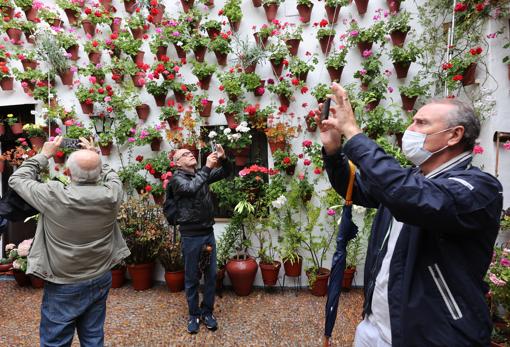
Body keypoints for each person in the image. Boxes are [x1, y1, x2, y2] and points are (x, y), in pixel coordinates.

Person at [317, 83, 503, 347]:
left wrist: (353, 132)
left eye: (421, 123)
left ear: (454, 135)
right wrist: (334, 151)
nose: (410, 130)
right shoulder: (411, 179)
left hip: (432, 337)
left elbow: (413, 197)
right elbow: (356, 189)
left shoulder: (479, 189)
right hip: (374, 327)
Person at [8, 136, 130, 347]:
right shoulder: (112, 194)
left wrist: (45, 154)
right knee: (93, 338)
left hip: (64, 283)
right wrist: (95, 156)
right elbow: (113, 176)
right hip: (100, 276)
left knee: (56, 342)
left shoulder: (54, 195)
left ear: (69, 173)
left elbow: (17, 179)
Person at [168, 144, 232, 334]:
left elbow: (227, 172)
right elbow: (191, 189)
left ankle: (207, 312)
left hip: (207, 232)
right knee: (191, 277)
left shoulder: (201, 175)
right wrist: (206, 168)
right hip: (190, 235)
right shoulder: (176, 179)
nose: (190, 155)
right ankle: (193, 314)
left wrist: (223, 158)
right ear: (177, 163)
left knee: (211, 275)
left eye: (190, 153)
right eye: (184, 154)